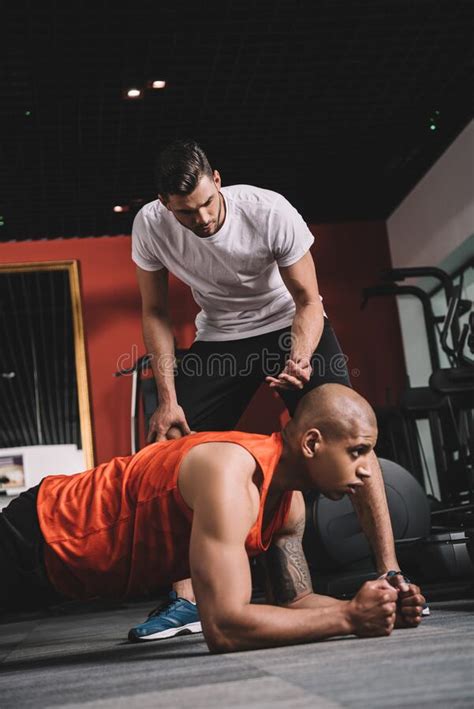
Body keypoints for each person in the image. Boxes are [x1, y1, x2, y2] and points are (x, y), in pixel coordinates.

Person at [130, 138, 405, 638]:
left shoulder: (269, 210)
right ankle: (185, 599)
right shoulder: (151, 224)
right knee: (173, 447)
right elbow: (155, 312)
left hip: (290, 321)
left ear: (218, 178)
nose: (203, 221)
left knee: (349, 433)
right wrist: (168, 399)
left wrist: (300, 357)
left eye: (207, 204)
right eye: (185, 214)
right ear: (164, 205)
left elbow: (307, 299)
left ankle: (390, 573)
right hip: (221, 335)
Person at [0, 385, 425, 652]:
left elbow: (294, 601)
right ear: (313, 443)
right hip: (39, 536)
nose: (369, 469)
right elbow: (224, 627)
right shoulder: (230, 476)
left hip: (67, 576)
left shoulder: (287, 503)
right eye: (358, 451)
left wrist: (379, 607)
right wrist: (350, 617)